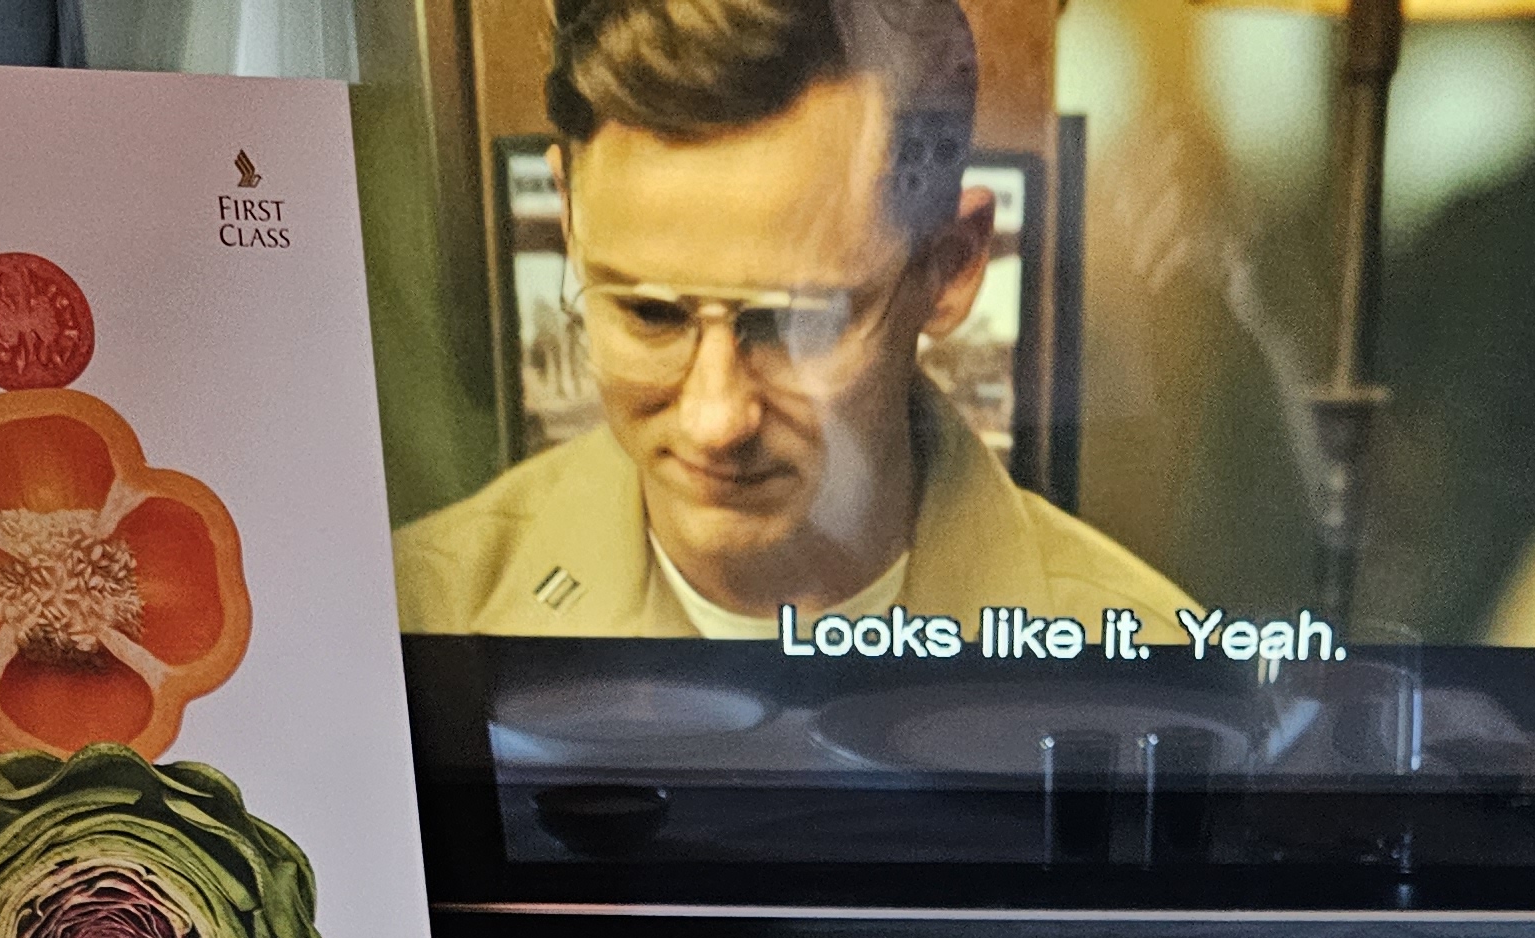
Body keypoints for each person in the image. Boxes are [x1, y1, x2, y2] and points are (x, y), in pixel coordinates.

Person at [393, 0, 1187, 638]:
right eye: (649, 312)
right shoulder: (409, 618)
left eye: (795, 326)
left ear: (948, 268)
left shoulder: (1152, 665)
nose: (715, 421)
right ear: (569, 225)